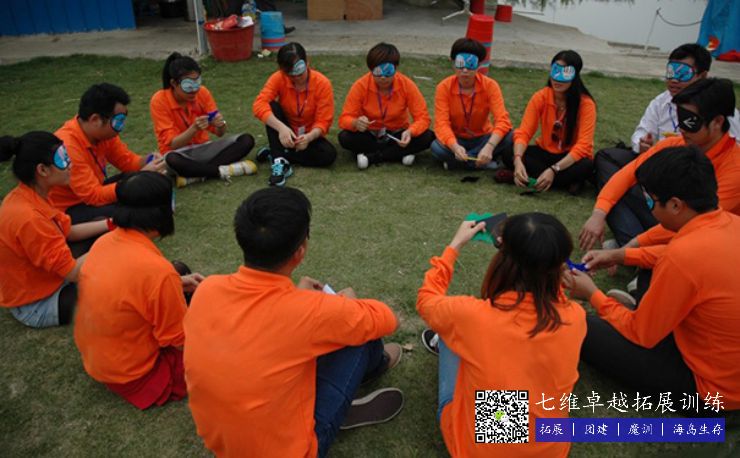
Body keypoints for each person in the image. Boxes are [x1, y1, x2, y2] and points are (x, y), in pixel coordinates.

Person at [184, 187, 404, 457]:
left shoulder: (207, 289)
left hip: (225, 443)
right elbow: (390, 319)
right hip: (292, 449)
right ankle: (363, 378)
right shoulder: (311, 311)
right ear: (300, 251)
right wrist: (345, 304)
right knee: (359, 332)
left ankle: (345, 392)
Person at [569, 146, 740, 411]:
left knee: (578, 325)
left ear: (676, 205)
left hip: (713, 393)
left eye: (649, 201)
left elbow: (642, 334)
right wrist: (621, 256)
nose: (648, 208)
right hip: (725, 362)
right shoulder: (730, 222)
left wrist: (592, 294)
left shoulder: (681, 256)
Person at [417, 213, 586, 457]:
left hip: (481, 449)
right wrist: (556, 285)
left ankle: (445, 342)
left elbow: (426, 301)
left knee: (448, 333)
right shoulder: (575, 318)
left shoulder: (472, 317)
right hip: (550, 447)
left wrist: (454, 246)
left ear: (503, 261)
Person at [74, 172, 204, 410]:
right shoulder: (158, 273)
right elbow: (179, 342)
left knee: (179, 273)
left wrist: (176, 282)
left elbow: (127, 287)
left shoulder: (104, 242)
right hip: (133, 373)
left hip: (100, 359)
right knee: (218, 347)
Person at [593, 43, 740, 248]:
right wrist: (598, 213)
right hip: (666, 192)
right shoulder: (674, 136)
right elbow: (630, 167)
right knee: (615, 181)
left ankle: (636, 249)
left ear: (717, 122)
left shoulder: (733, 165)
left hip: (699, 236)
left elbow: (697, 224)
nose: (682, 128)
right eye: (671, 72)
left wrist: (628, 250)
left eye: (690, 121)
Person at [0, 132, 110, 328]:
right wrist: (115, 240)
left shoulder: (31, 194)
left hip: (51, 278)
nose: (70, 165)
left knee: (103, 227)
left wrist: (111, 224)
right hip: (38, 304)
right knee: (116, 290)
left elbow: (68, 232)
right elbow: (72, 273)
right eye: (62, 160)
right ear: (42, 170)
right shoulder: (29, 217)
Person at [48, 83, 167, 224]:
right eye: (118, 121)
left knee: (140, 184)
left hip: (95, 191)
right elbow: (94, 196)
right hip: (71, 208)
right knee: (133, 207)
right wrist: (139, 179)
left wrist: (150, 160)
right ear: (95, 120)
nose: (120, 128)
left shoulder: (105, 134)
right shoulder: (68, 147)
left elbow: (127, 162)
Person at [150, 52, 257, 188]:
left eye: (197, 82)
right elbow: (173, 145)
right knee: (172, 159)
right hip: (179, 154)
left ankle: (197, 175)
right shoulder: (159, 100)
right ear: (174, 83)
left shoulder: (202, 93)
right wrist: (194, 129)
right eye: (188, 85)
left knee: (246, 140)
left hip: (204, 149)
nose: (194, 90)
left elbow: (219, 133)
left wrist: (220, 124)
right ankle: (223, 170)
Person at [500, 50, 596, 194]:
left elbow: (583, 146)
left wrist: (554, 169)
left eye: (565, 73)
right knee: (509, 152)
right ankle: (563, 182)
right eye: (555, 71)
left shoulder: (586, 104)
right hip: (545, 153)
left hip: (569, 158)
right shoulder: (541, 97)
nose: (558, 79)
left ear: (575, 76)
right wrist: (518, 160)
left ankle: (536, 177)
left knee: (587, 166)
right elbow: (524, 133)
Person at [338, 42, 434, 169]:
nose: (383, 77)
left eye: (388, 71)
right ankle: (399, 154)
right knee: (345, 137)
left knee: (428, 136)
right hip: (369, 134)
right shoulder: (360, 86)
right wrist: (355, 123)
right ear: (371, 69)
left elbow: (423, 118)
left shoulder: (406, 85)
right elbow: (344, 119)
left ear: (396, 67)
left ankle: (371, 156)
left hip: (397, 134)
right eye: (378, 72)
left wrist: (410, 132)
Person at [253, 42, 337, 187]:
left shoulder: (322, 83)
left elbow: (324, 121)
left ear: (307, 62)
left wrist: (309, 137)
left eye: (300, 72)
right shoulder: (278, 78)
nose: (297, 78)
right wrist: (281, 128)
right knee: (272, 107)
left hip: (309, 134)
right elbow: (259, 104)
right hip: (286, 128)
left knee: (328, 155)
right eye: (291, 75)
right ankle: (279, 162)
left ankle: (277, 152)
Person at [431, 38, 513, 171]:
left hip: (483, 138)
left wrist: (489, 146)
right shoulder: (443, 87)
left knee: (511, 136)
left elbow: (503, 121)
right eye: (460, 64)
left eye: (470, 64)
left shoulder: (490, 86)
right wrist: (454, 146)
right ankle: (481, 162)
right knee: (436, 147)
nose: (465, 70)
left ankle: (460, 162)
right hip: (456, 138)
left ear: (479, 65)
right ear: (453, 63)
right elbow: (441, 123)